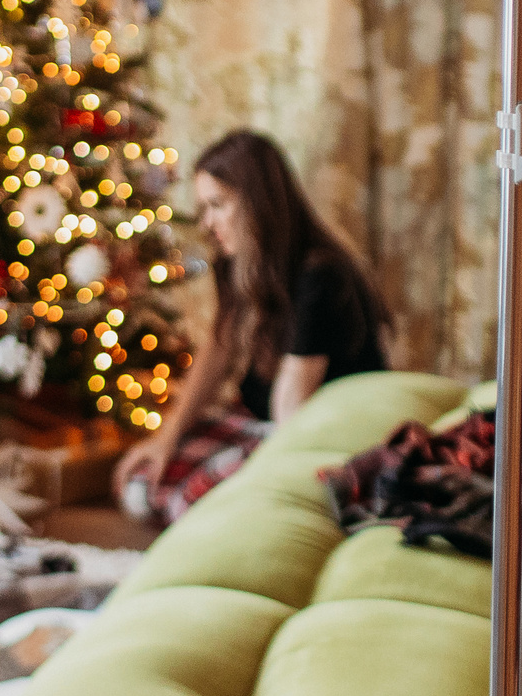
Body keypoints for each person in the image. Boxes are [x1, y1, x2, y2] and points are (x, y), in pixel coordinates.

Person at [114, 130, 392, 526]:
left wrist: (262, 478)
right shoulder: (235, 260)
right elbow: (219, 346)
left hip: (310, 436)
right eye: (203, 209)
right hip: (256, 422)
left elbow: (292, 404)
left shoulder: (321, 273)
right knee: (143, 486)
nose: (207, 224)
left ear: (259, 202)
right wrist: (166, 439)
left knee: (187, 506)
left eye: (218, 205)